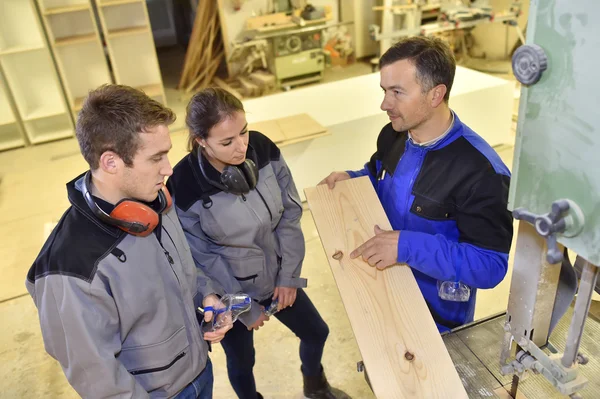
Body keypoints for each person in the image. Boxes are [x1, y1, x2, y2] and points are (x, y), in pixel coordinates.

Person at [26, 85, 232, 399]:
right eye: (156, 158)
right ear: (110, 162)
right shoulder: (70, 268)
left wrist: (207, 296)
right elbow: (100, 381)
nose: (168, 169)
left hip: (199, 369)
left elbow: (184, 266)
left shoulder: (154, 201)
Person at [319, 36, 514, 332]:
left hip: (436, 320)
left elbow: (490, 266)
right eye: (384, 90)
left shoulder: (481, 172)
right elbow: (378, 173)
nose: (385, 103)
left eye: (397, 92)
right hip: (380, 285)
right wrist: (353, 177)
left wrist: (406, 246)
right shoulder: (395, 134)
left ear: (435, 94)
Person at [167, 88, 349, 399]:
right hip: (230, 291)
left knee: (317, 332)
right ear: (201, 141)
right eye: (227, 142)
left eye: (244, 132)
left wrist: (289, 277)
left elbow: (290, 214)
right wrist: (244, 307)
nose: (241, 147)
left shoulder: (262, 147)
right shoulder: (183, 184)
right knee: (241, 361)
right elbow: (201, 260)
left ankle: (315, 385)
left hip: (277, 279)